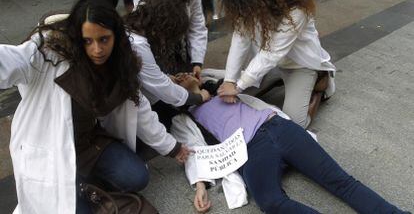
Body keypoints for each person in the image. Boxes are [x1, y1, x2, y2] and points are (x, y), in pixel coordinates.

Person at [0, 0, 190, 213]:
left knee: (137, 177)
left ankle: (83, 184)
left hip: (88, 144)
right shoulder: (46, 58)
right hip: (52, 150)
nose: (97, 49)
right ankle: (77, 187)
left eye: (104, 39)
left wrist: (173, 148)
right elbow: (12, 61)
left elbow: (141, 110)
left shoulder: (119, 64)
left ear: (115, 36)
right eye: (87, 41)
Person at [175, 75, 411, 214]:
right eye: (177, 78)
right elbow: (194, 148)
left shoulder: (222, 86)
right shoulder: (189, 116)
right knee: (270, 202)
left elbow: (239, 69)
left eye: (186, 72)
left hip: (278, 127)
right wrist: (200, 186)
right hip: (250, 149)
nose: (183, 75)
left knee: (341, 181)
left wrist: (221, 85)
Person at [217, 0, 336, 128]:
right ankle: (276, 80)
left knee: (295, 125)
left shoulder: (296, 11)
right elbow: (239, 42)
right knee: (238, 97)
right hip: (273, 64)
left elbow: (272, 53)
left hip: (299, 66)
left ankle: (321, 87)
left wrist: (238, 86)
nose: (244, 15)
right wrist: (230, 81)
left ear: (263, 0)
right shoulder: (247, 9)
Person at [125, 0, 211, 129]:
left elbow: (157, 81)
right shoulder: (138, 45)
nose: (186, 76)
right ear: (160, 31)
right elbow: (164, 89)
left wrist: (166, 79)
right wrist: (199, 98)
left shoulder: (136, 33)